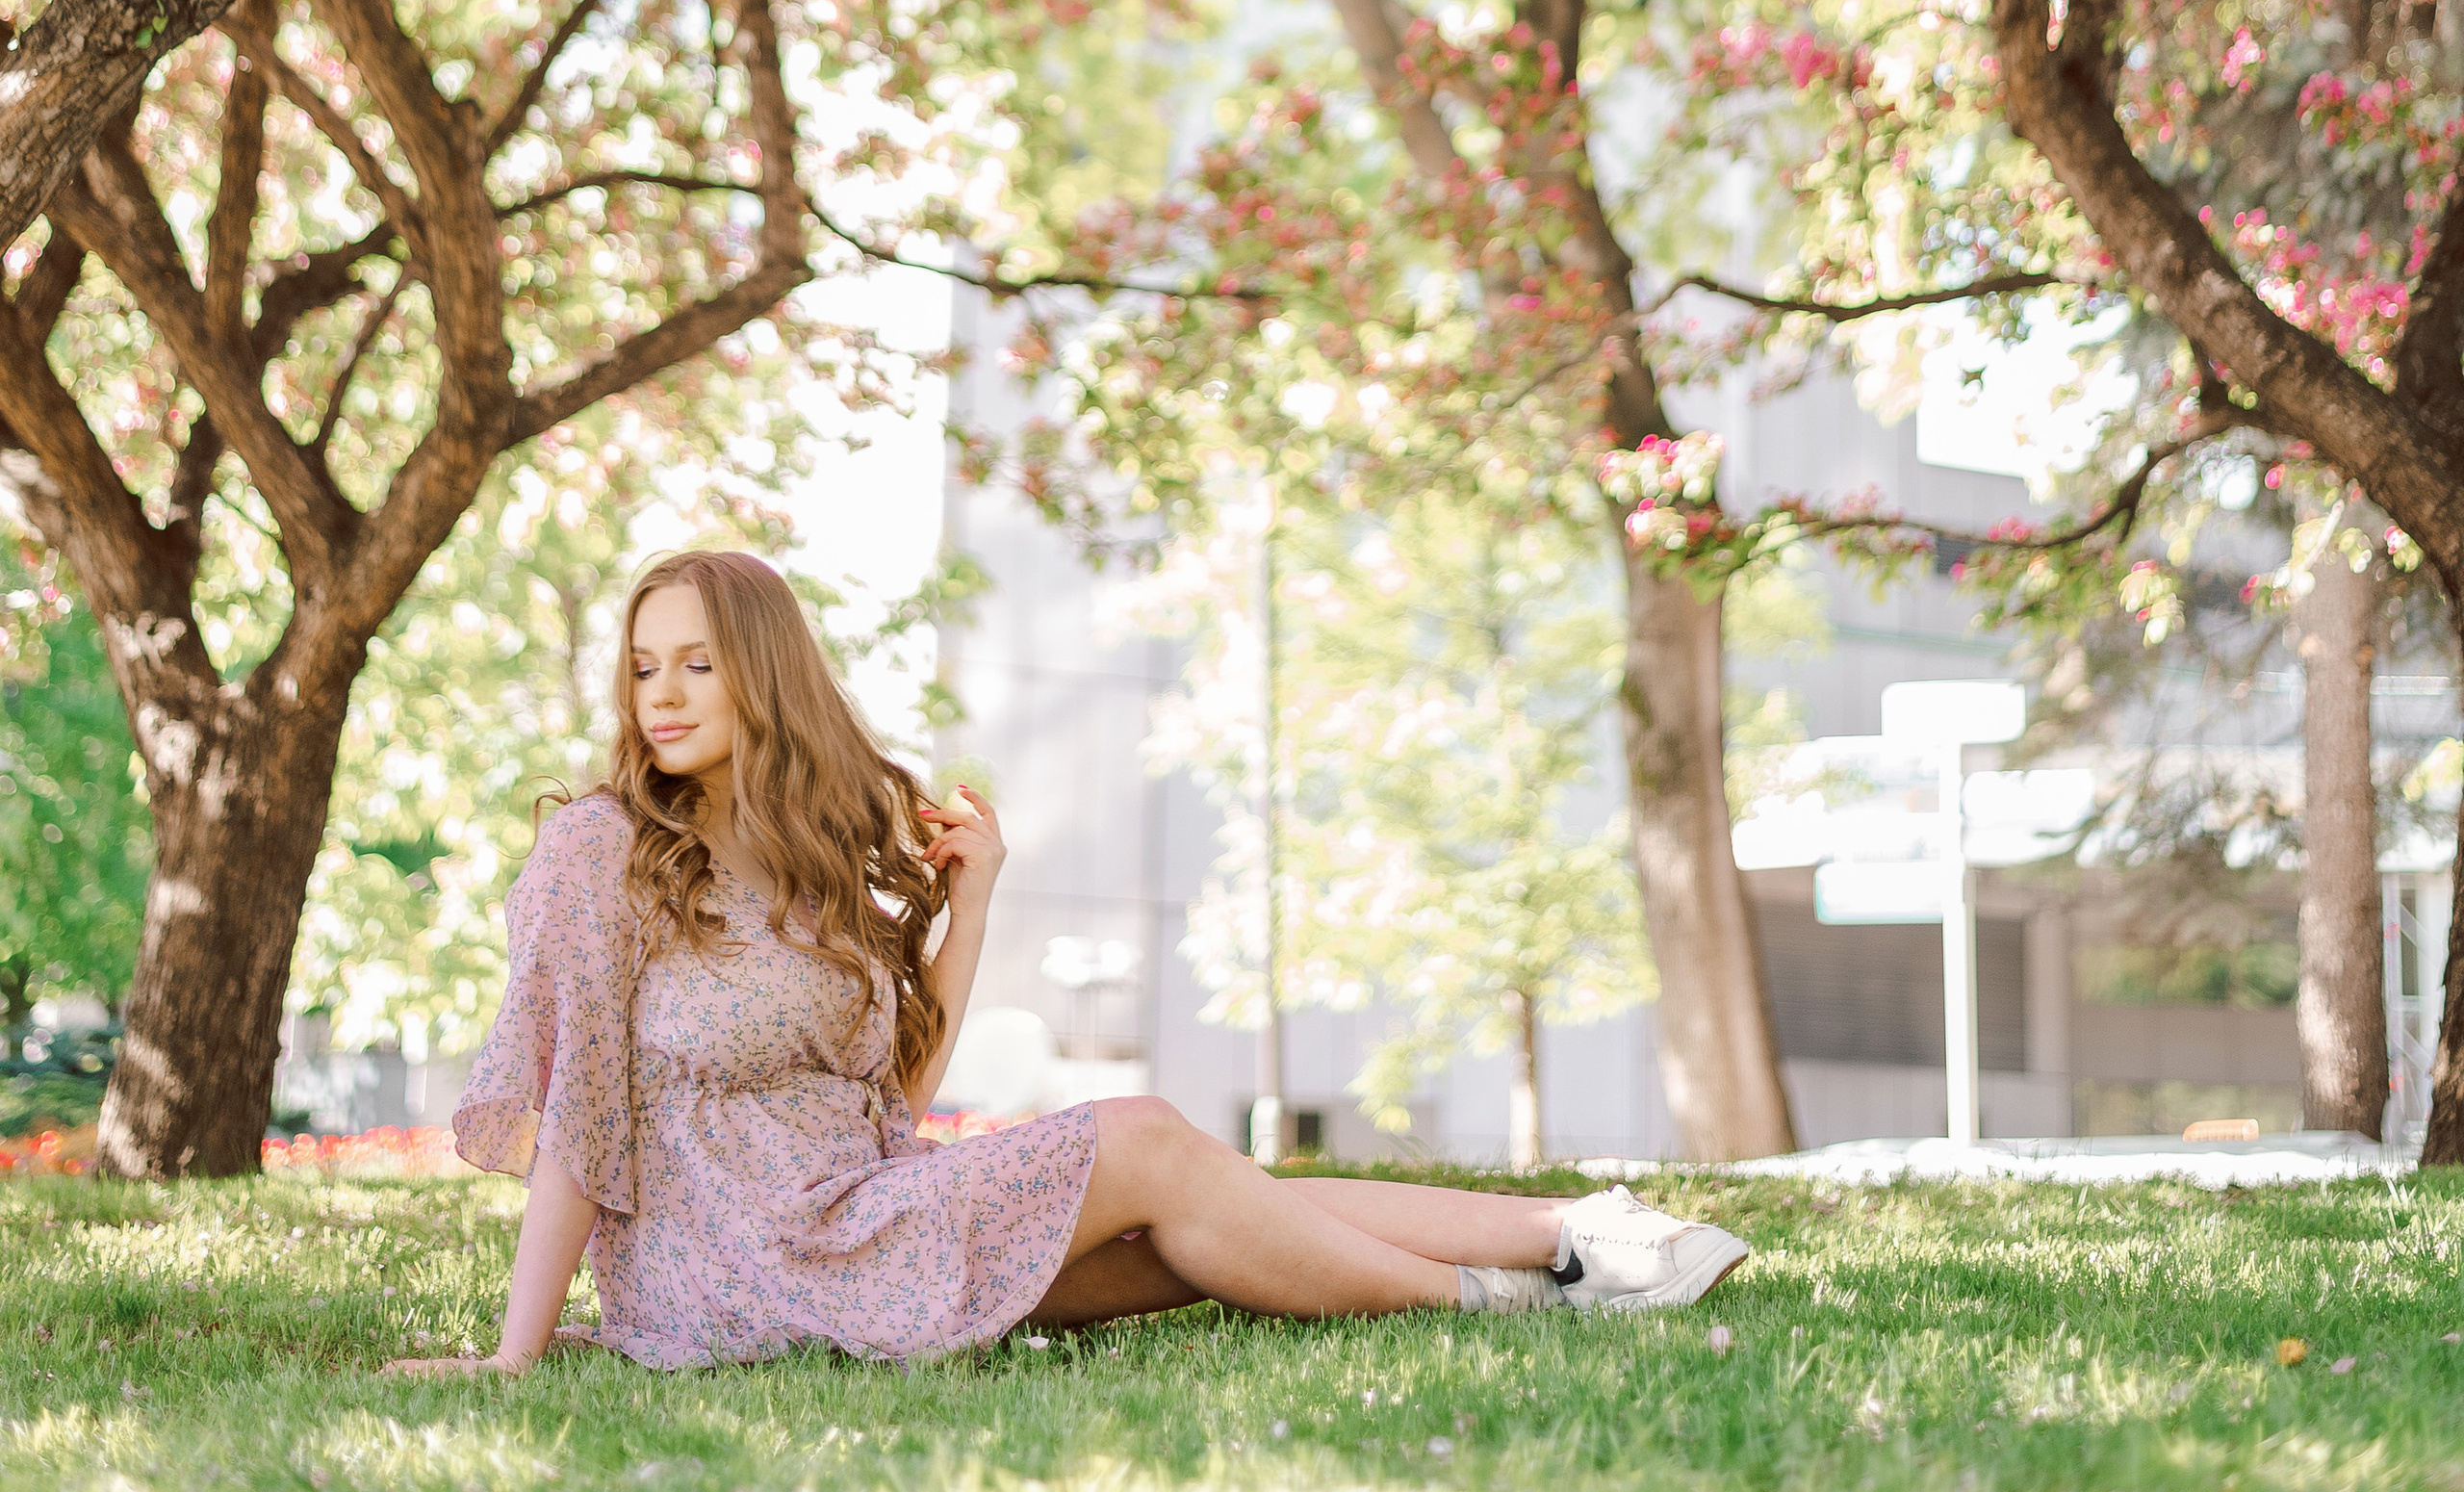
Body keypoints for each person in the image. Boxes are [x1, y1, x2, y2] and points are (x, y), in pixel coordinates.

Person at [384, 547, 1747, 1377]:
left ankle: (1574, 1237)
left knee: (1202, 1219)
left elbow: (890, 1098)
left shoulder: (807, 858)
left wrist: (971, 906)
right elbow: (580, 1122)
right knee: (1150, 1139)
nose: (661, 694)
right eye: (641, 669)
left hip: (867, 1211)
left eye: (693, 664)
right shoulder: (598, 851)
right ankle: (1536, 1286)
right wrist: (517, 1352)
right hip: (735, 1267)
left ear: (763, 676)